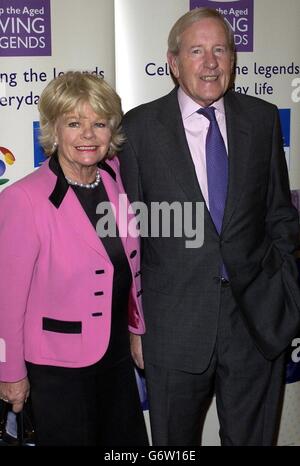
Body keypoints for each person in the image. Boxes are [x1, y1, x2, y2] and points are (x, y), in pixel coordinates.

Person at [120, 8, 300, 446]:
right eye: (196, 50)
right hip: (173, 328)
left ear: (233, 59)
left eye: (220, 49)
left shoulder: (261, 119)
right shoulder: (139, 128)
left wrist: (285, 292)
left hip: (256, 324)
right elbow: (128, 237)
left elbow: (279, 213)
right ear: (173, 62)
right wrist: (136, 323)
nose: (211, 62)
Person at [0, 71, 148, 446]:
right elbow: (7, 301)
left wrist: (137, 330)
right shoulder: (24, 199)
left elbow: (129, 267)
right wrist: (10, 371)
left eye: (99, 123)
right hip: (57, 367)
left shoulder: (115, 177)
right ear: (53, 129)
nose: (87, 135)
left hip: (115, 357)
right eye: (74, 123)